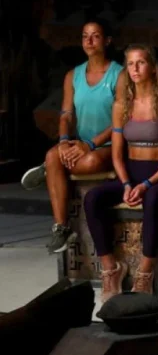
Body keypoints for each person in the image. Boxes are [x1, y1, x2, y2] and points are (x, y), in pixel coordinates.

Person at [81, 44, 158, 302]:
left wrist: (147, 184)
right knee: (93, 198)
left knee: (152, 198)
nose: (135, 69)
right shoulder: (121, 106)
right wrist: (127, 184)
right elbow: (117, 155)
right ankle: (111, 268)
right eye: (130, 64)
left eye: (141, 63)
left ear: (153, 67)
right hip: (131, 176)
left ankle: (145, 273)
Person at [20, 18, 125, 254]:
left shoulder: (119, 75)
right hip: (79, 144)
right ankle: (61, 228)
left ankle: (49, 169)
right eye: (85, 36)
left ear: (107, 40)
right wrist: (64, 141)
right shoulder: (73, 75)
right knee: (53, 154)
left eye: (95, 36)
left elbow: (122, 120)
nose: (89, 41)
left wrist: (90, 144)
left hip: (110, 144)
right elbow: (66, 115)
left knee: (88, 161)